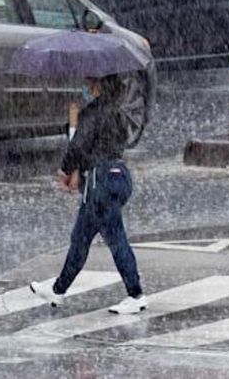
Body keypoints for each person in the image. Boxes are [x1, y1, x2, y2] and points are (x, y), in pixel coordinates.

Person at [30, 74, 147, 314]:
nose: (85, 85)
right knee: (81, 238)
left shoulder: (92, 113)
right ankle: (58, 289)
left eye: (89, 82)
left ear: (98, 85)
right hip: (120, 175)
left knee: (113, 239)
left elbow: (79, 146)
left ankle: (135, 294)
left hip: (99, 181)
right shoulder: (118, 112)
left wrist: (66, 169)